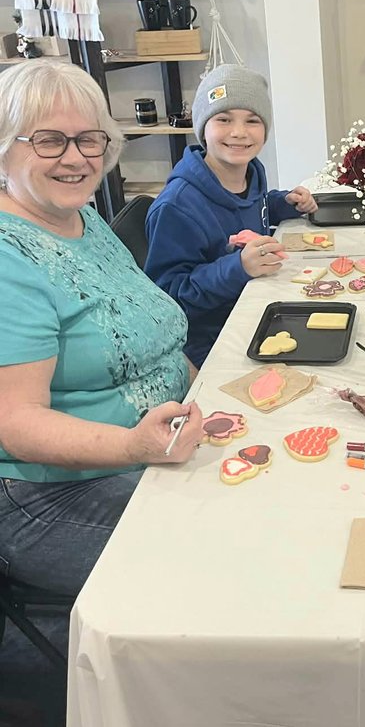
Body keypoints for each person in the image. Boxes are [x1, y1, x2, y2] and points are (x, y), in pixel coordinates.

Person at [0, 61, 203, 597]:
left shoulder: (83, 219)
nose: (75, 157)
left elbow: (151, 329)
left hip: (160, 448)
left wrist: (209, 390)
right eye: (48, 140)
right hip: (51, 492)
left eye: (89, 139)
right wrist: (136, 446)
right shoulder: (6, 256)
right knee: (222, 565)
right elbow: (15, 422)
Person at [145, 64, 318, 368]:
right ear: (202, 127)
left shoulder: (251, 172)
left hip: (259, 309)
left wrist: (283, 203)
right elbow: (168, 299)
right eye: (223, 119)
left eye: (252, 120)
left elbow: (251, 205)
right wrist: (236, 268)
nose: (239, 132)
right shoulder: (176, 208)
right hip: (214, 342)